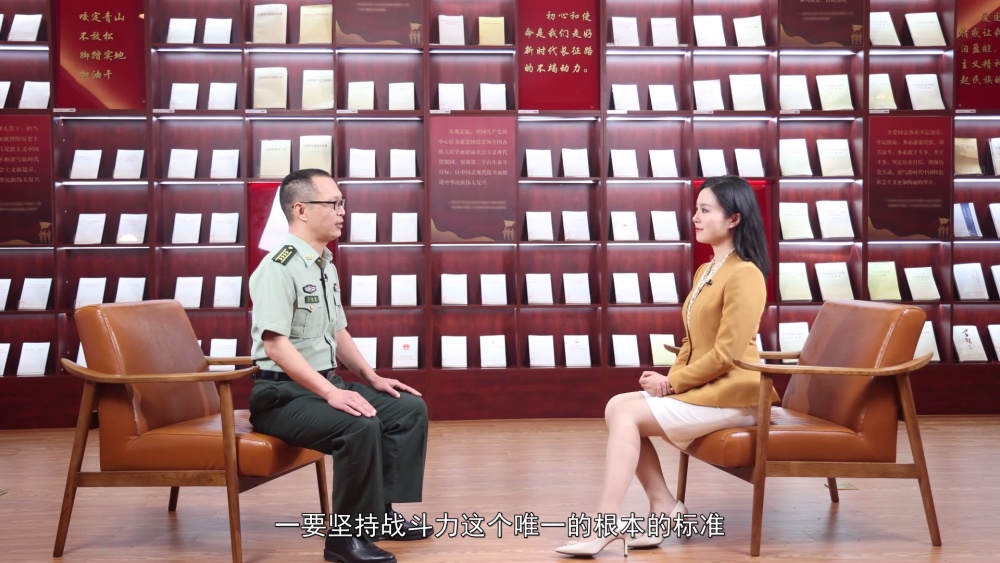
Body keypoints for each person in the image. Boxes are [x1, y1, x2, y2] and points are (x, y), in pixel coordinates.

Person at [555, 175, 778, 557]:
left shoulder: (746, 274)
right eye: (696, 209)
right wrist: (667, 379)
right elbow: (692, 339)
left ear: (734, 219)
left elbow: (726, 354)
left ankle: (608, 521)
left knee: (627, 415)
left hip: (736, 396)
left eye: (705, 210)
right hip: (709, 388)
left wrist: (672, 383)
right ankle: (664, 505)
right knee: (616, 406)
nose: (696, 217)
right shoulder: (707, 270)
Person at [248, 169, 430, 563]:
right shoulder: (278, 266)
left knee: (406, 408)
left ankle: (380, 516)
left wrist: (372, 378)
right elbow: (275, 346)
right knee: (358, 425)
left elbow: (337, 330)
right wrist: (332, 393)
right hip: (280, 395)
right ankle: (345, 540)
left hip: (322, 385)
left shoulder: (323, 263)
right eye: (333, 203)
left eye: (341, 203)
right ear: (300, 210)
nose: (342, 211)